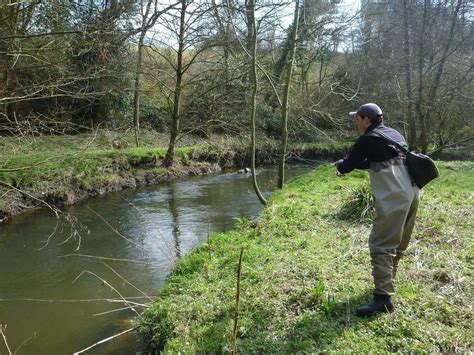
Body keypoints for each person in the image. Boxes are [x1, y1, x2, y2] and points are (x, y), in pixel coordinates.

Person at [335, 103, 419, 317]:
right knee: (398, 243)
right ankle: (388, 283)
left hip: (395, 194)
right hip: (413, 191)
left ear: (366, 119)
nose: (356, 122)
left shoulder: (368, 138)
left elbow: (351, 163)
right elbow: (377, 160)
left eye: (357, 118)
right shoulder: (393, 134)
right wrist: (350, 163)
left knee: (380, 243)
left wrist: (340, 165)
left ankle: (383, 299)